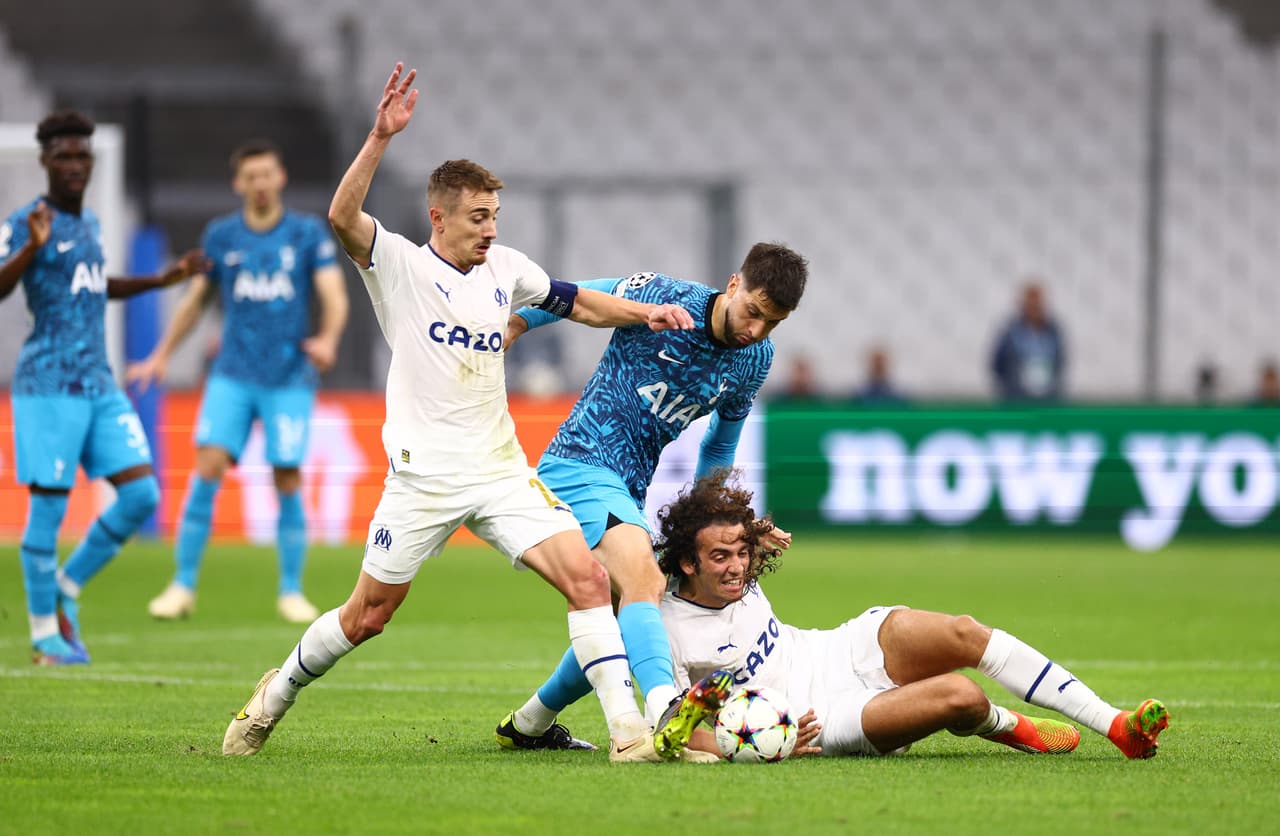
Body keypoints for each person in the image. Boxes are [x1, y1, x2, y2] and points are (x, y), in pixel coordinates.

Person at [221, 64, 706, 763]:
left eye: (494, 217)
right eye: (478, 218)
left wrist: (646, 313)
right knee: (368, 617)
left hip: (500, 471)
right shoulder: (398, 267)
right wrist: (380, 136)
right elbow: (340, 216)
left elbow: (575, 300)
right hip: (422, 479)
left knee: (589, 579)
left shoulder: (506, 268)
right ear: (439, 218)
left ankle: (628, 734)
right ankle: (277, 693)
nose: (489, 230)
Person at [494, 243, 808, 759]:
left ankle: (530, 723)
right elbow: (583, 295)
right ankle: (666, 709)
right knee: (647, 581)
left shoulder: (756, 358)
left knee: (627, 618)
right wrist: (519, 323)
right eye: (753, 311)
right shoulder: (666, 299)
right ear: (733, 285)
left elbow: (720, 445)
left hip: (627, 486)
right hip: (579, 461)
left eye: (772, 323)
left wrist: (720, 523)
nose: (756, 329)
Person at [657, 470, 1172, 761]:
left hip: (838, 647)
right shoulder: (668, 627)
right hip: (821, 718)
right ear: (687, 562)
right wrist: (766, 745)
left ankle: (1117, 725)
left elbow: (734, 540)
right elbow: (673, 729)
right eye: (720, 558)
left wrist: (749, 535)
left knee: (964, 631)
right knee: (961, 696)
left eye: (742, 554)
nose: (736, 567)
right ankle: (1005, 724)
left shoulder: (740, 569)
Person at [0, 110, 207, 665]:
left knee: (141, 494)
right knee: (48, 509)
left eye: (81, 155)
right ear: (44, 161)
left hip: (97, 382)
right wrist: (29, 250)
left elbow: (96, 286)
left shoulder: (89, 224)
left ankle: (65, 588)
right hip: (48, 385)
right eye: (63, 155)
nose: (74, 164)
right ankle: (45, 635)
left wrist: (158, 281)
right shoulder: (27, 221)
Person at [128, 138, 350, 624]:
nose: (260, 183)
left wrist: (329, 339)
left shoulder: (306, 234)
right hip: (232, 373)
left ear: (281, 177)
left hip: (289, 376)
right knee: (206, 465)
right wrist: (161, 354)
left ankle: (291, 590)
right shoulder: (222, 235)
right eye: (251, 176)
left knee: (287, 474)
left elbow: (333, 295)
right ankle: (181, 585)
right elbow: (196, 300)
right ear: (238, 183)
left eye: (267, 174)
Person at [990, 281, 1065, 402]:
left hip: (1046, 401)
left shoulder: (1054, 332)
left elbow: (1061, 362)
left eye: (1037, 304)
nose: (1034, 308)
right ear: (1023, 304)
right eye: (1030, 304)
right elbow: (997, 363)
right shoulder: (1010, 332)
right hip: (1017, 401)